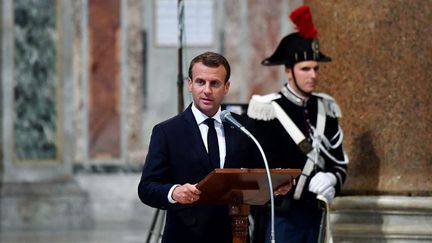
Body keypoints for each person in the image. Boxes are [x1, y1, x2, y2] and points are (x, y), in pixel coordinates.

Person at [138, 51, 290, 243]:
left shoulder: (243, 127)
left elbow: (256, 176)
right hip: (185, 236)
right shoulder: (167, 131)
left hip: (234, 234)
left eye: (215, 83)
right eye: (201, 82)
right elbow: (146, 188)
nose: (207, 90)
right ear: (190, 84)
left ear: (226, 87)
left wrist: (272, 187)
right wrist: (174, 192)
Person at [247, 5, 349, 243]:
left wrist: (333, 178)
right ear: (288, 71)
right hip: (282, 216)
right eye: (305, 69)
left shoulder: (326, 108)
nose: (312, 75)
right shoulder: (268, 110)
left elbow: (339, 161)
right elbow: (259, 170)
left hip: (317, 214)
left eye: (315, 69)